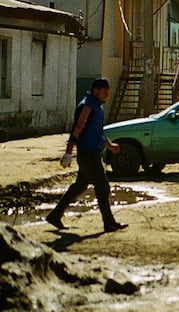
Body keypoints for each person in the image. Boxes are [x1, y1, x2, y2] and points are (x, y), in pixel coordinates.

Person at [46, 78, 127, 233]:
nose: (106, 95)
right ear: (96, 91)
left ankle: (55, 215)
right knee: (103, 186)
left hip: (92, 152)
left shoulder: (97, 107)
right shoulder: (87, 107)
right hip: (88, 154)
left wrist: (109, 145)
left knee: (80, 185)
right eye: (104, 92)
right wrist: (68, 152)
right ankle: (109, 223)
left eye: (107, 92)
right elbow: (78, 128)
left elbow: (98, 131)